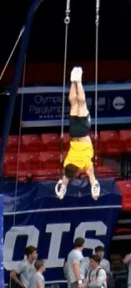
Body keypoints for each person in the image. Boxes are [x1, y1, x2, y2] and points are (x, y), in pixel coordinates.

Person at [55, 67, 101, 201]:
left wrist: (95, 192)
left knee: (78, 103)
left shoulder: (81, 164)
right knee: (76, 102)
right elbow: (65, 180)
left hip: (81, 132)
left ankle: (76, 80)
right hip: (75, 131)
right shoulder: (69, 163)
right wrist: (61, 192)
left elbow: (93, 180)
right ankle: (76, 81)